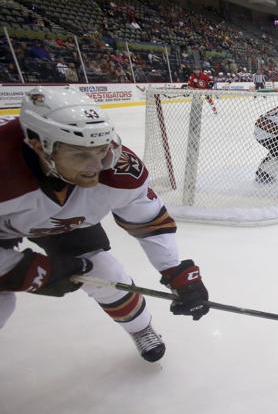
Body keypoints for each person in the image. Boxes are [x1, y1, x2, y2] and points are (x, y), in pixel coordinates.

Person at [0, 87, 210, 362]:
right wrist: (22, 271)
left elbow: (149, 222)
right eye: (79, 155)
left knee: (107, 275)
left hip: (66, 224)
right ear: (39, 146)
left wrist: (175, 271)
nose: (96, 166)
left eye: (101, 151)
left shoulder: (119, 170)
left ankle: (140, 328)